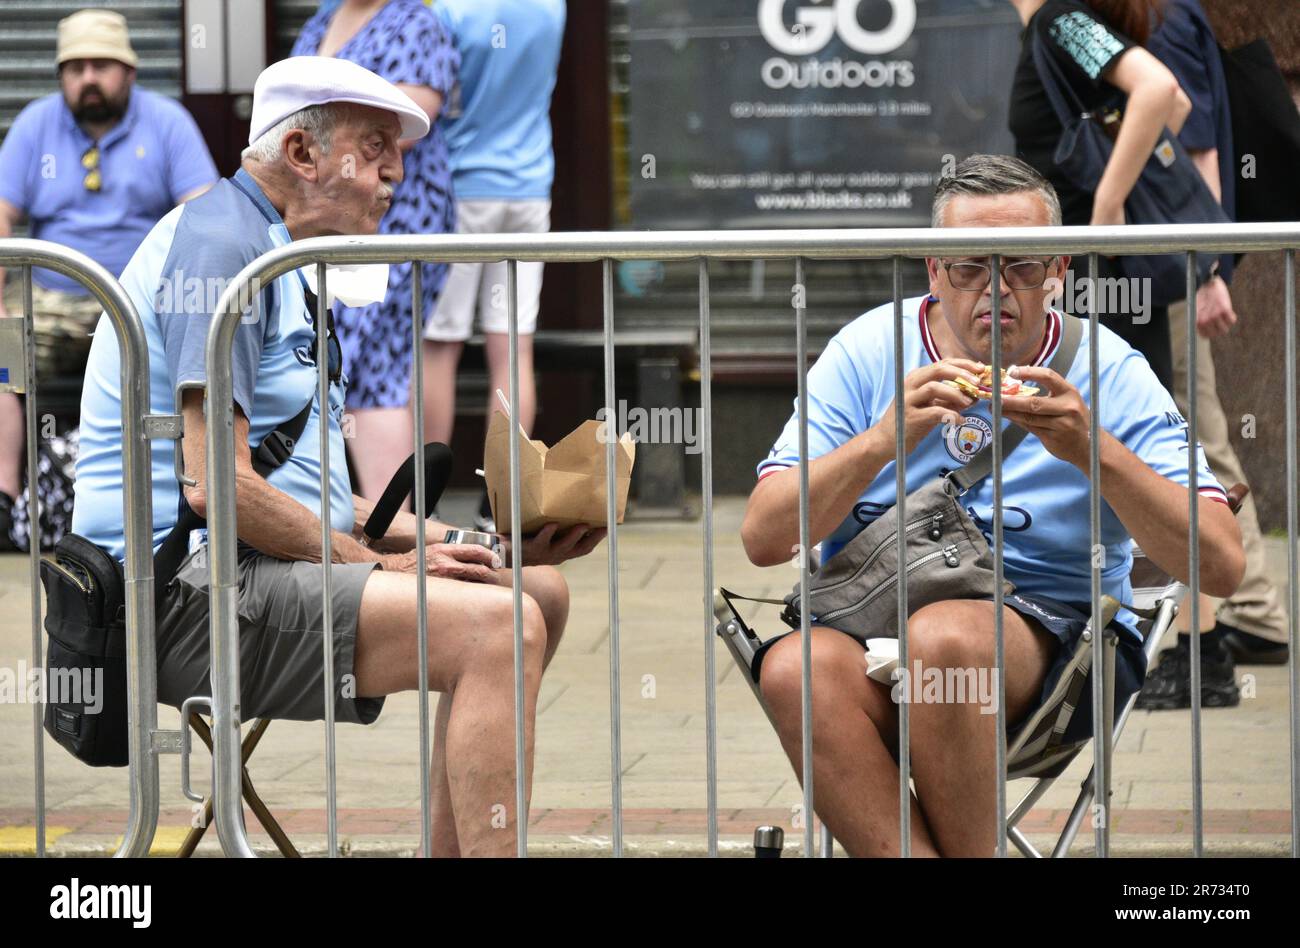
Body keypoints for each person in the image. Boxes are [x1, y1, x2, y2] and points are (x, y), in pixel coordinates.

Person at [72, 57, 605, 857]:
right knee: (497, 626)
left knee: (539, 590)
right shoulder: (224, 249)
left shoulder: (272, 248)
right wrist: (375, 565)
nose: (396, 170)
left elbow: (302, 491)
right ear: (301, 153)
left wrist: (471, 543)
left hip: (230, 570)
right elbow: (217, 485)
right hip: (172, 599)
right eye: (376, 144)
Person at [740, 155, 1244, 857]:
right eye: (969, 266)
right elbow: (764, 537)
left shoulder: (1109, 370)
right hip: (873, 620)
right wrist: (882, 441)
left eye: (1025, 266)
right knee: (791, 667)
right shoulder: (865, 352)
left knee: (944, 640)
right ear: (933, 271)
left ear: (1061, 270)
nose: (996, 290)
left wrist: (1092, 450)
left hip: (1057, 648)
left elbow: (1220, 564)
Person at [0, 8, 218, 550]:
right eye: (75, 68)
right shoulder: (36, 124)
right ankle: (4, 503)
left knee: (197, 354)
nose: (88, 79)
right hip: (51, 298)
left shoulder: (168, 124)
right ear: (60, 77)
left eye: (101, 65)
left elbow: (205, 215)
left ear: (130, 72)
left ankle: (186, 495)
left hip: (139, 302)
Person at [1132, 0, 1290, 712]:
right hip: (1174, 263)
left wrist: (1206, 270)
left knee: (1195, 435)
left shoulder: (1162, 21)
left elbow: (1194, 152)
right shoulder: (1168, 17)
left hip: (1172, 266)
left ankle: (1252, 611)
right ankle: (1256, 606)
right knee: (1204, 431)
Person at [291, 0, 459, 500]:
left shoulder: (415, 20)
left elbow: (414, 117)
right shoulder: (323, 18)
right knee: (352, 365)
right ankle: (390, 529)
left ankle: (402, 529)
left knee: (373, 370)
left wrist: (325, 131)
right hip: (336, 221)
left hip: (396, 216)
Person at [421, 0, 567, 531]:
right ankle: (499, 507)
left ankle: (426, 503)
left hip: (460, 190)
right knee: (513, 347)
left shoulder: (449, 9)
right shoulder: (551, 7)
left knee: (439, 345)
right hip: (528, 191)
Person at [1007, 0, 1191, 393]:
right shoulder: (1054, 23)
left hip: (1096, 262)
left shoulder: (1057, 18)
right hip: (1094, 264)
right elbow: (1175, 105)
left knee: (1108, 412)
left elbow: (1161, 90)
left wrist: (1109, 205)